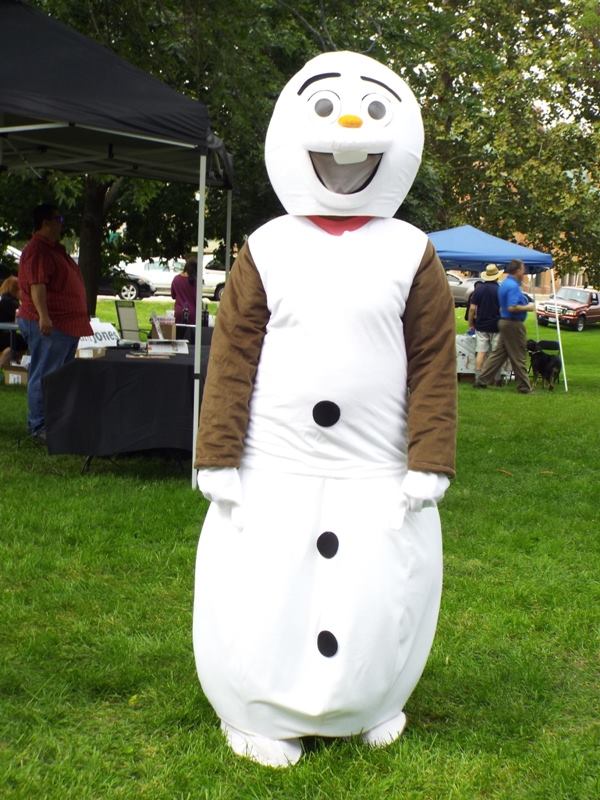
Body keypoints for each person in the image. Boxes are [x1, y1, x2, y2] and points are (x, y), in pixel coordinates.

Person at [192, 51, 456, 767]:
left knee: (376, 586)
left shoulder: (412, 251)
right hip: (277, 465)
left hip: (376, 469)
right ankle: (256, 709)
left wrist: (429, 458)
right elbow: (233, 356)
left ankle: (370, 699)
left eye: (372, 113)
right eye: (326, 110)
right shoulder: (268, 247)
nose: (349, 130)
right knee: (269, 587)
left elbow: (433, 362)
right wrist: (217, 454)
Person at [17, 204, 92, 439]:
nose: (62, 223)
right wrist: (44, 316)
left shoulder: (53, 249)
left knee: (58, 375)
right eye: (58, 219)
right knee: (45, 374)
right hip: (50, 324)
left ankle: (55, 422)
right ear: (45, 223)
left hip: (64, 324)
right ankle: (39, 425)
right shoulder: (37, 250)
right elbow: (37, 286)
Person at [474, 259, 535, 393]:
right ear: (517, 270)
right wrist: (528, 307)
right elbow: (512, 307)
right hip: (513, 324)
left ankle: (482, 380)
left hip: (504, 322)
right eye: (523, 269)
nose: (524, 272)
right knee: (518, 355)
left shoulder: (505, 284)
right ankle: (524, 387)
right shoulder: (513, 286)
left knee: (498, 355)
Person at [468, 263, 503, 376]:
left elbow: (472, 309)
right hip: (496, 325)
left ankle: (478, 376)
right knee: (495, 353)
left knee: (481, 352)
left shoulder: (479, 289)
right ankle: (495, 377)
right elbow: (502, 309)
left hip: (481, 325)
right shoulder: (500, 290)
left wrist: (471, 324)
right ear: (497, 277)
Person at [0, 276, 28, 371]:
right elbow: (23, 317)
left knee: (20, 341)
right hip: (3, 335)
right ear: (16, 290)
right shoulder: (10, 302)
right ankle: (13, 366)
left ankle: (12, 366)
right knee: (26, 341)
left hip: (4, 334)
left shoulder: (4, 300)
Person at [170, 257, 197, 325]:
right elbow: (197, 299)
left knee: (178, 331)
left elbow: (173, 296)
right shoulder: (195, 281)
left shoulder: (176, 279)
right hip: (192, 313)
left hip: (179, 312)